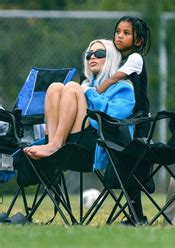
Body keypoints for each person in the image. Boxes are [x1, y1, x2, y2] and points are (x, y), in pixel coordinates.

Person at [24, 39, 135, 170]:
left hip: (99, 144)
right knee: (55, 88)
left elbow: (114, 115)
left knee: (72, 87)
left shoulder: (123, 87)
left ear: (111, 57)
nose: (92, 57)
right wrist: (87, 89)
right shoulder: (88, 85)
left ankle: (55, 145)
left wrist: (88, 92)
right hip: (72, 140)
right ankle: (52, 144)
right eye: (89, 55)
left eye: (99, 53)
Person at [95, 16, 151, 137]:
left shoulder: (136, 58)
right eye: (117, 31)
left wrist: (94, 93)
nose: (119, 36)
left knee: (133, 155)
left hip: (138, 120)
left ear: (138, 41)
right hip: (121, 118)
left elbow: (112, 79)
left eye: (126, 33)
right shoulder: (115, 58)